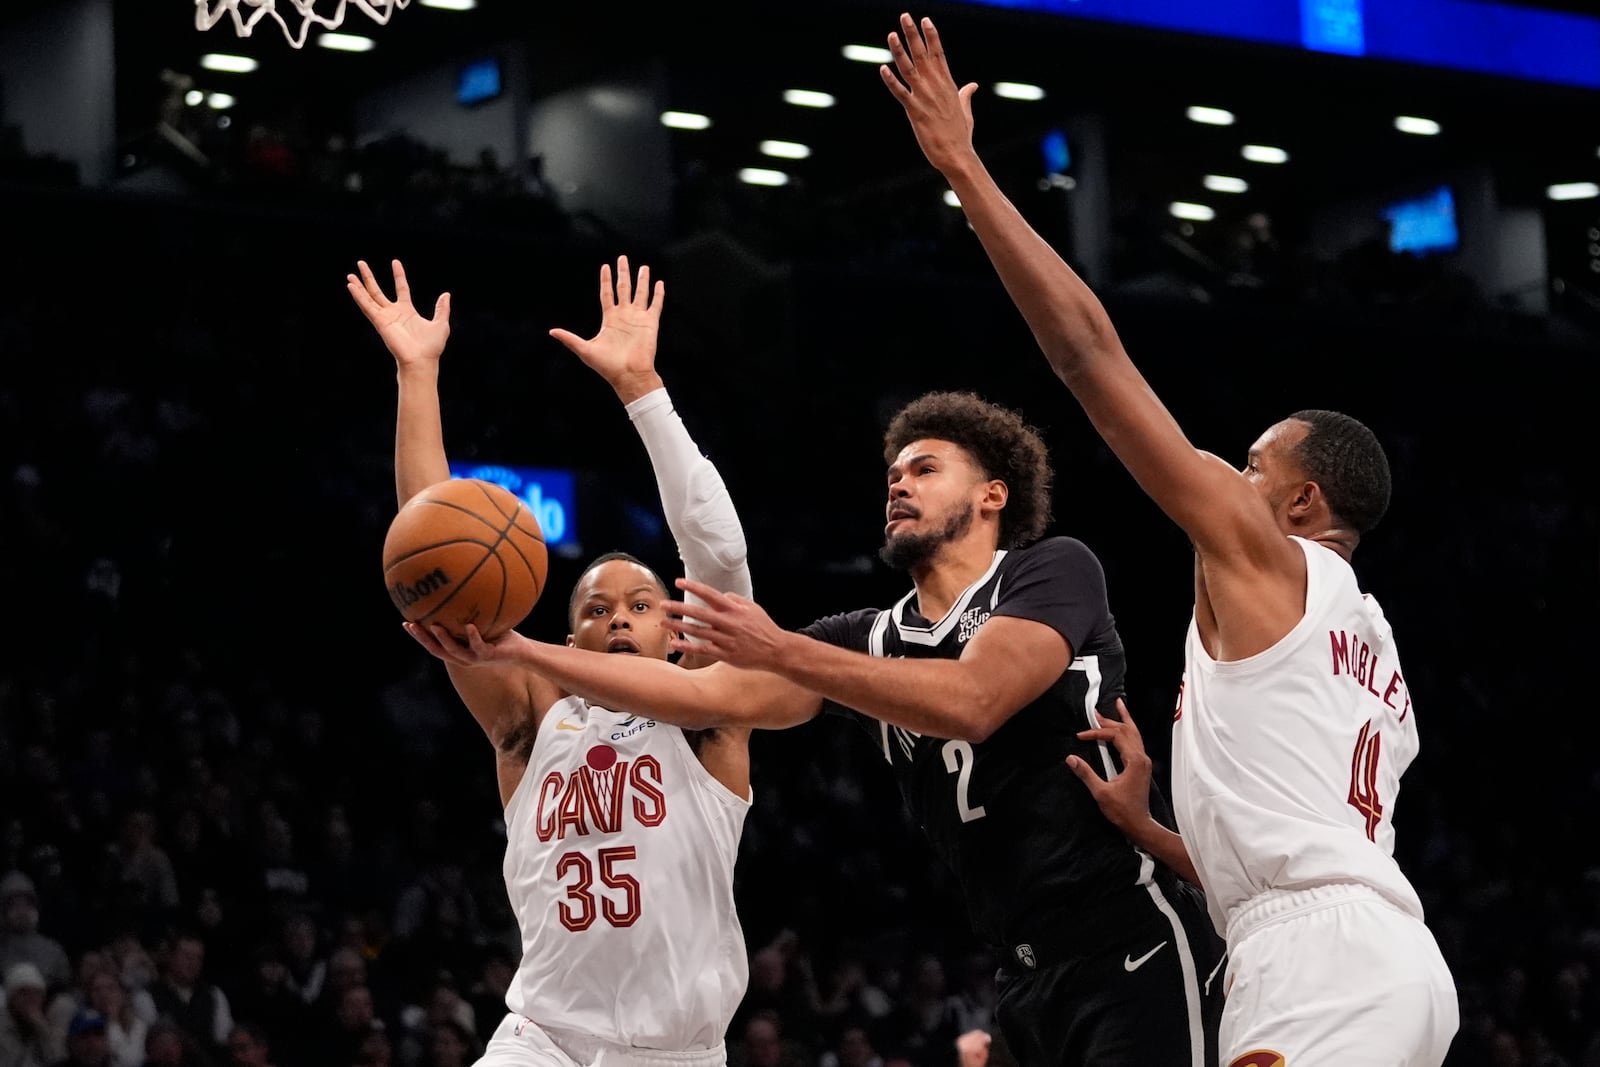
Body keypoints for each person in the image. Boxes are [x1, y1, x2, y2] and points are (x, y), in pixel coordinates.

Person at [874, 12, 1458, 1065]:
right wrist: (1149, 827)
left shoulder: (1269, 557)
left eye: (1249, 468)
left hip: (1315, 972)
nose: (1225, 482)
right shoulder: (1372, 646)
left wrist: (965, 170)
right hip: (1388, 961)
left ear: (1298, 504)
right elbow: (1297, 853)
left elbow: (1088, 356)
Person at [408, 389, 1226, 1066]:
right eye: (892, 472)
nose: (897, 483)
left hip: (1127, 936)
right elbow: (725, 682)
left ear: (993, 493)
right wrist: (520, 646)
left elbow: (976, 698)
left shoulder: (1051, 567)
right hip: (1016, 965)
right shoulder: (858, 636)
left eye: (925, 468)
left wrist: (785, 648)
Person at [347, 255, 756, 1067]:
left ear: (676, 632)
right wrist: (417, 373)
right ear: (566, 646)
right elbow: (435, 547)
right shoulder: (532, 719)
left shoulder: (708, 715)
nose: (616, 618)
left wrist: (644, 392)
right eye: (596, 609)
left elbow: (719, 549)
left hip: (678, 1051)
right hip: (545, 1038)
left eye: (640, 605)